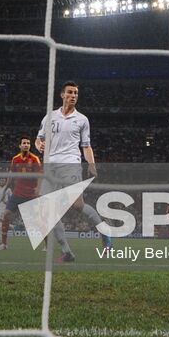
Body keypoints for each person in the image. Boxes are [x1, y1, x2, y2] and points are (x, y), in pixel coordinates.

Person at [34, 81, 109, 263]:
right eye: (70, 92)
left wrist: (92, 164)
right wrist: (39, 145)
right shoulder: (49, 117)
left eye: (76, 93)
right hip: (50, 166)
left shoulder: (82, 120)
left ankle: (105, 233)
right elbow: (38, 139)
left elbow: (86, 145)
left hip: (71, 164)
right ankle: (67, 251)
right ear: (62, 95)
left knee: (77, 205)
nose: (73, 95)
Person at [0, 136, 40, 251]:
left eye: (28, 143)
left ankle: (47, 245)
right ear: (20, 146)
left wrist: (38, 190)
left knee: (37, 221)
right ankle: (4, 244)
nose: (26, 145)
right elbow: (11, 175)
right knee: (6, 215)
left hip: (30, 194)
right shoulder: (15, 159)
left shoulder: (34, 159)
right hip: (17, 193)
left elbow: (41, 176)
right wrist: (5, 189)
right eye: (24, 143)